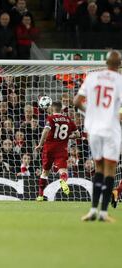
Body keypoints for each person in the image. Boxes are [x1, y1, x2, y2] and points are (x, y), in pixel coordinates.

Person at [74, 50, 122, 222]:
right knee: (110, 170)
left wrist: (92, 113)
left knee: (98, 168)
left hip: (93, 129)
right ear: (119, 64)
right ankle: (103, 213)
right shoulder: (120, 81)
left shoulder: (92, 77)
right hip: (110, 129)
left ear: (105, 62)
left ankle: (93, 210)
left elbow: (76, 102)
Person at [35, 101, 79, 202]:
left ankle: (40, 195)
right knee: (63, 170)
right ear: (61, 109)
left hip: (49, 148)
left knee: (45, 172)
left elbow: (45, 131)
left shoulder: (50, 118)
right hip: (62, 149)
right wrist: (68, 136)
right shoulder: (68, 119)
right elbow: (77, 134)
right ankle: (63, 180)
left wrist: (40, 144)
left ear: (52, 108)